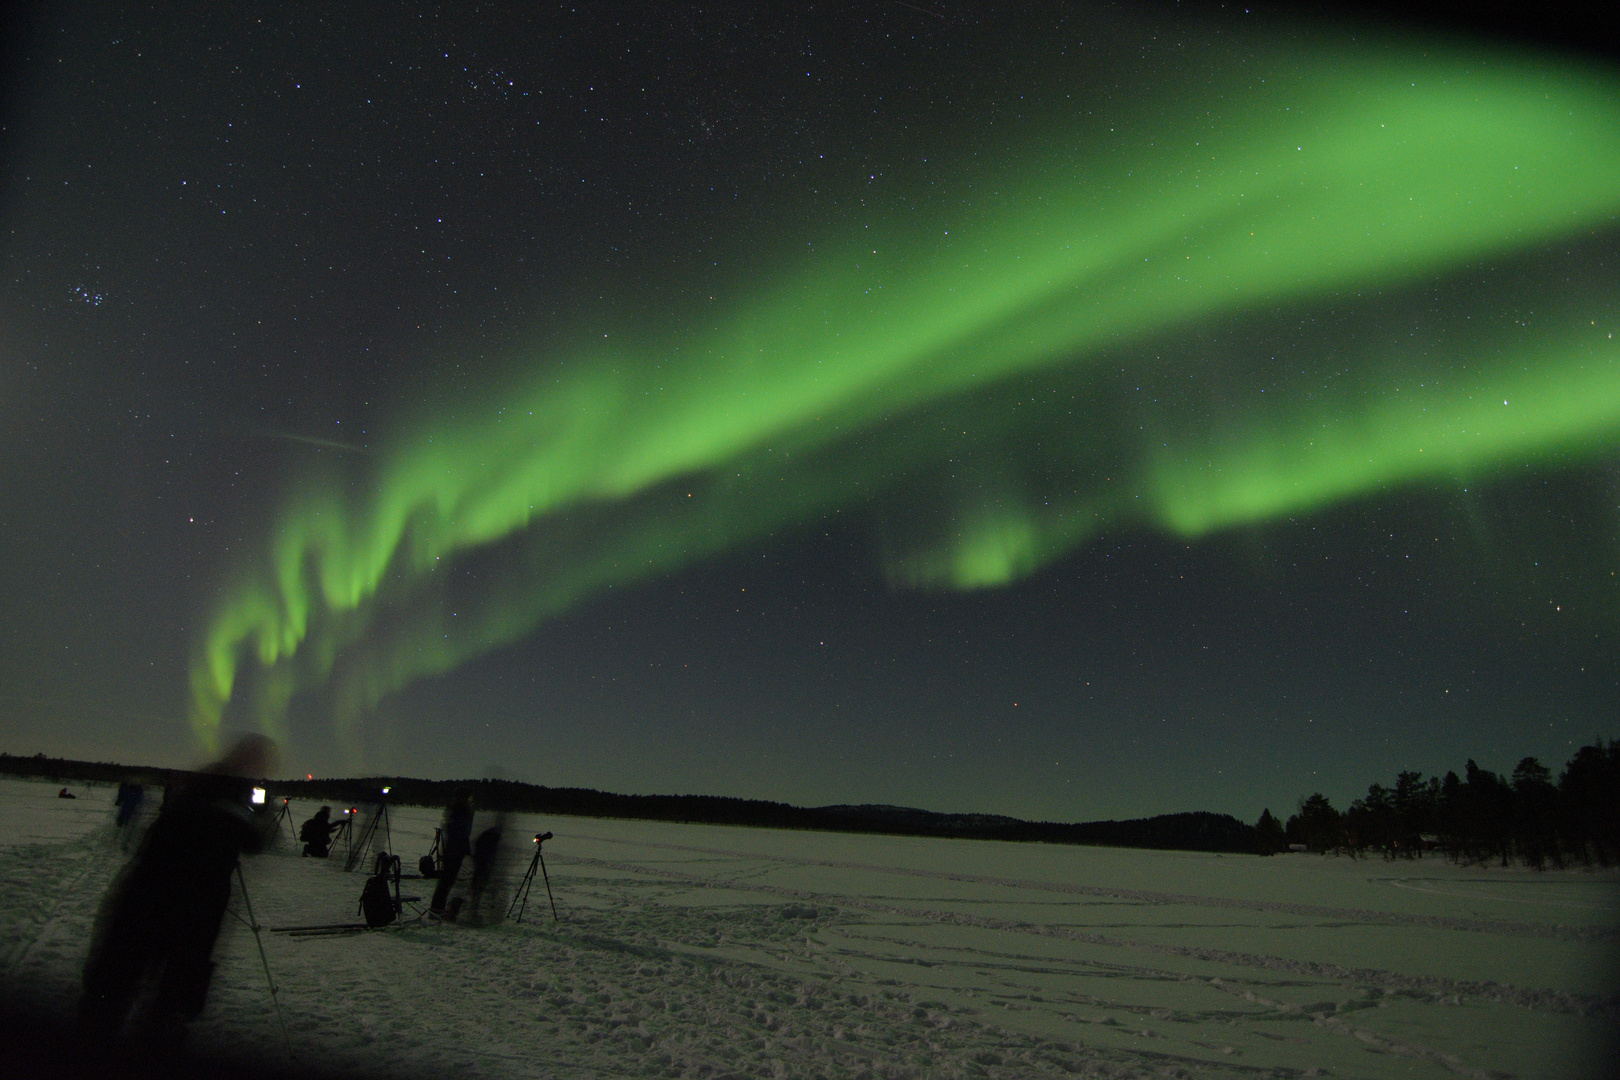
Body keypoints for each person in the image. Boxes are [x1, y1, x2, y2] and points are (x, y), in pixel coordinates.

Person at [79, 734, 277, 1043]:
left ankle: (111, 1024)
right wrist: (261, 815)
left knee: (117, 987)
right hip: (189, 903)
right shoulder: (228, 798)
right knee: (162, 992)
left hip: (153, 894)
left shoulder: (199, 788)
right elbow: (253, 843)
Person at [429, 787, 474, 916]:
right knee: (446, 879)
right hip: (455, 849)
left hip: (455, 848)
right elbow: (459, 830)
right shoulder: (461, 810)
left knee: (447, 879)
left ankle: (438, 906)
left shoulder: (460, 809)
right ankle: (437, 907)